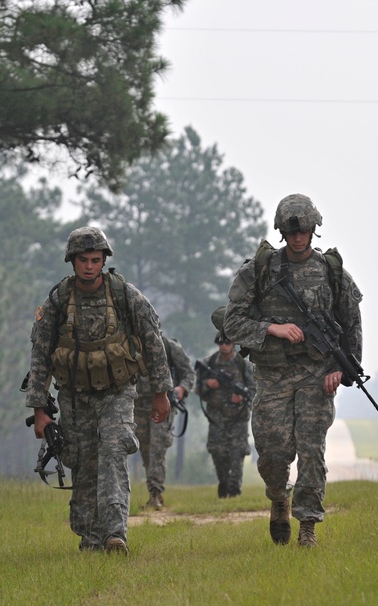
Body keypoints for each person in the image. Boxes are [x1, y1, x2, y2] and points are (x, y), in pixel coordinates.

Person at [223, 194, 363, 547]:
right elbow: (232, 323)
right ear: (282, 232)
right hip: (272, 376)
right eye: (291, 231)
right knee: (272, 454)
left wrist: (341, 371)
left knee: (312, 450)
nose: (298, 237)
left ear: (314, 229)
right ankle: (278, 497)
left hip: (317, 376)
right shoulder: (258, 271)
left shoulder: (333, 275)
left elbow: (351, 327)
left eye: (304, 230)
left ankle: (308, 527)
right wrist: (273, 329)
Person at [26, 226, 171, 555]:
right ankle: (90, 537)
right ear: (72, 261)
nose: (89, 266)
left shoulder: (123, 295)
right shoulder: (58, 301)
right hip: (75, 397)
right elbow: (40, 355)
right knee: (83, 462)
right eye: (83, 260)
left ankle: (114, 533)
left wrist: (162, 391)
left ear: (103, 261)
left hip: (117, 394)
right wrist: (38, 410)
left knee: (113, 454)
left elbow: (152, 340)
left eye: (95, 260)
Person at [134, 334, 195, 510]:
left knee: (157, 448)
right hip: (138, 406)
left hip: (163, 404)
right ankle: (153, 491)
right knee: (145, 449)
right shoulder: (131, 345)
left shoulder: (169, 347)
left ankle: (155, 493)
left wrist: (182, 389)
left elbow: (189, 373)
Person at [195, 330, 255, 499]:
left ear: (233, 344)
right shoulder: (210, 363)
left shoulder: (243, 365)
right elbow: (197, 389)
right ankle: (223, 483)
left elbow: (254, 390)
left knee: (237, 454)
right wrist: (208, 384)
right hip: (216, 418)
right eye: (220, 343)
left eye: (227, 342)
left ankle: (234, 490)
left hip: (238, 418)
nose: (224, 346)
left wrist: (241, 397)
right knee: (218, 453)